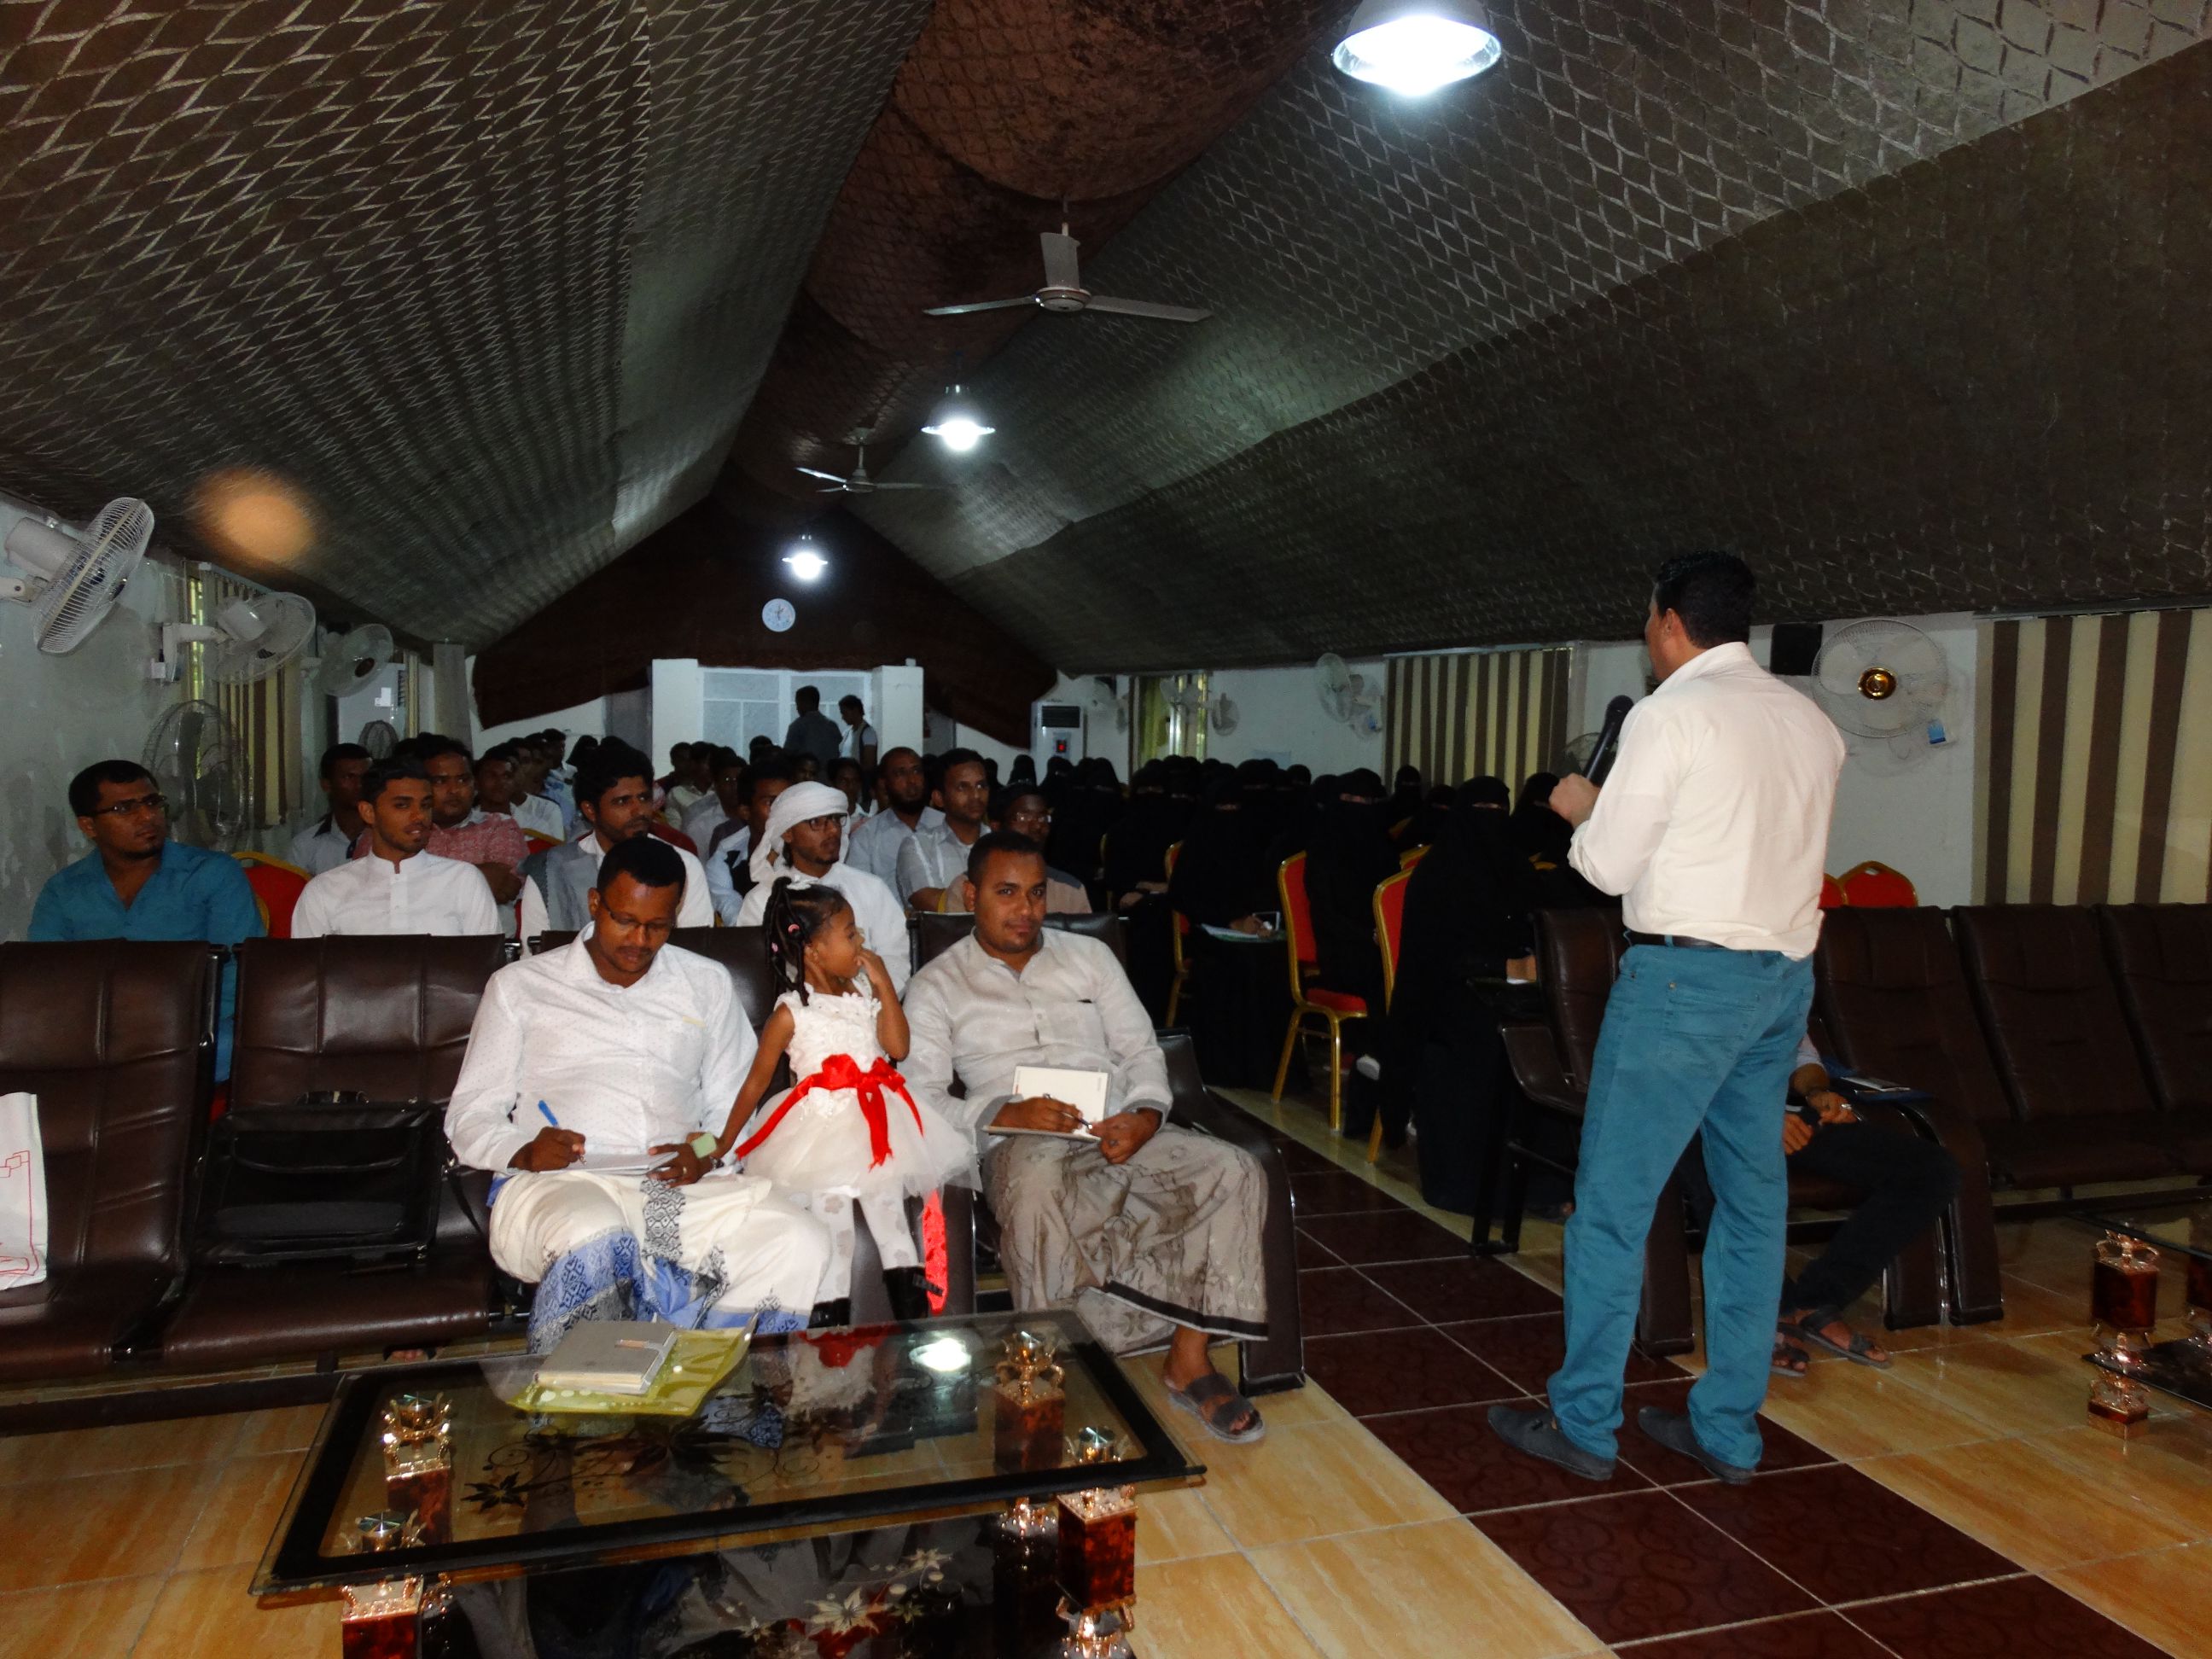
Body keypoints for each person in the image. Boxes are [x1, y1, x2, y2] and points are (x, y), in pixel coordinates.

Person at [1489, 552, 1846, 1487]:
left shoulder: (1671, 713)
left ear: (1671, 623)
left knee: (1613, 1206)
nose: (1648, 637)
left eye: (1648, 621)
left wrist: (1583, 808)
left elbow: (1606, 868)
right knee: (1752, 1209)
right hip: (1782, 984)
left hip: (1685, 986)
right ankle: (1727, 1431)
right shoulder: (1811, 722)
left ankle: (1584, 1425)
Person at [904, 832, 1270, 1443]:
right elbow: (921, 1096)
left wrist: (1146, 1113)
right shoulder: (937, 984)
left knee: (1234, 1169)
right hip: (1019, 1143)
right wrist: (1005, 1111)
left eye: (1036, 893)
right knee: (1039, 1182)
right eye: (1006, 893)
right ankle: (1041, 1367)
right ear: (970, 895)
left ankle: (1188, 1359)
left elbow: (1141, 1050)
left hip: (1115, 1126)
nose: (1025, 909)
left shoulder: (1090, 958)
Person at [445, 836, 833, 1350]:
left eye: (658, 926)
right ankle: (588, 1395)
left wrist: (703, 1152)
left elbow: (733, 1107)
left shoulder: (705, 983)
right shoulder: (521, 986)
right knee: (596, 1233)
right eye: (625, 920)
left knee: (798, 1238)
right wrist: (524, 1150)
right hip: (564, 1184)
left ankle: (721, 1390)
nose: (640, 940)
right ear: (595, 904)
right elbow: (470, 1114)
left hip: (683, 1187)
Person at [711, 879, 970, 1324]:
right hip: (819, 1134)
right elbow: (755, 1084)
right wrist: (721, 1143)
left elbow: (899, 1047)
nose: (861, 940)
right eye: (850, 934)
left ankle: (913, 1328)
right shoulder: (791, 1013)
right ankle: (829, 1334)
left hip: (878, 1129)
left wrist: (883, 983)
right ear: (813, 950)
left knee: (894, 1229)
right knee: (836, 1236)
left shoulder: (862, 993)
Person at [30, 759, 263, 1078]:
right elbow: (47, 976)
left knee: (232, 1048)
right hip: (96, 1031)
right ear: (88, 826)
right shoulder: (63, 890)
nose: (147, 816)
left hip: (193, 1028)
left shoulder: (212, 873)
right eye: (124, 809)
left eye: (152, 802)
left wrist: (170, 1026)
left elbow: (241, 968)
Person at [1769, 1038, 1960, 1375]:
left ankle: (1817, 1299)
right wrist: (1758, 1118)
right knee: (1724, 1170)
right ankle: (1773, 1308)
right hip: (1714, 1119)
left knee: (1931, 1170)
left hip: (1792, 1118)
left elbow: (1803, 1057)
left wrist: (1817, 1092)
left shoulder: (1787, 999)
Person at [519, 738, 713, 942]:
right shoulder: (550, 872)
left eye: (644, 798)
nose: (639, 811)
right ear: (590, 810)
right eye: (622, 801)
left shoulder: (684, 865)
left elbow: (695, 951)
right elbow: (535, 955)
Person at [294, 756, 501, 938]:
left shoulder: (463, 880)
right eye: (402, 805)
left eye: (425, 805)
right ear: (368, 812)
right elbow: (308, 968)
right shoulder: (324, 891)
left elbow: (487, 964)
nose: (419, 816)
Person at [733, 782, 910, 994]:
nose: (833, 830)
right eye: (816, 822)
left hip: (872, 1005)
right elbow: (759, 975)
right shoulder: (762, 900)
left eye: (835, 819)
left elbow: (897, 958)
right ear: (788, 833)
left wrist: (860, 999)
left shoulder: (871, 888)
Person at [366, 734, 527, 911]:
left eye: (463, 780)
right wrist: (474, 880)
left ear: (475, 783)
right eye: (440, 781)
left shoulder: (499, 826)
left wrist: (408, 884)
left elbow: (501, 885)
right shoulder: (389, 829)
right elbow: (371, 891)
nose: (454, 790)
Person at [703, 755, 794, 925]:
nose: (783, 810)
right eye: (771, 802)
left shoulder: (810, 846)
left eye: (788, 801)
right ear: (745, 811)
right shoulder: (726, 857)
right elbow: (738, 920)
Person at [896, 748, 988, 911]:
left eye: (981, 786)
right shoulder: (918, 846)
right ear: (939, 798)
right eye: (963, 787)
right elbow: (929, 901)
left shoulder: (1003, 844)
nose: (975, 795)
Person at [844, 747, 941, 888]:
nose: (912, 780)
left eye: (916, 771)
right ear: (884, 783)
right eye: (900, 773)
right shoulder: (866, 837)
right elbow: (858, 890)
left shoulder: (946, 824)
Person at [992, 786, 1091, 912]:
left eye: (1042, 818)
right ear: (996, 826)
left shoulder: (1068, 890)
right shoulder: (978, 885)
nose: (1037, 826)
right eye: (1023, 817)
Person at [288, 742, 370, 874]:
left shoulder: (389, 839)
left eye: (366, 777)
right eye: (349, 777)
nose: (360, 785)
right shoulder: (305, 845)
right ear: (326, 784)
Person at [504, 739, 567, 843]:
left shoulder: (549, 808)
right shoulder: (483, 810)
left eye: (525, 761)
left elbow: (557, 850)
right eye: (513, 763)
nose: (520, 767)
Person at [682, 747, 742, 847]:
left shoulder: (758, 818)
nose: (735, 786)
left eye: (739, 779)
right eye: (727, 780)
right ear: (716, 785)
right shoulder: (699, 824)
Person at [783, 686, 843, 779]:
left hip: (806, 779)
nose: (797, 708)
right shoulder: (832, 726)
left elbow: (787, 755)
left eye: (798, 704)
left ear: (805, 703)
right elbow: (838, 753)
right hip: (830, 779)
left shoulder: (798, 726)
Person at [836, 695, 878, 771]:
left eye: (845, 713)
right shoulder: (846, 733)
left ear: (855, 711)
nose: (843, 717)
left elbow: (869, 764)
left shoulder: (869, 733)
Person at [830, 756, 870, 821]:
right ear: (833, 784)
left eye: (854, 781)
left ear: (860, 785)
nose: (850, 786)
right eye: (844, 781)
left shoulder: (868, 821)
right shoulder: (825, 819)